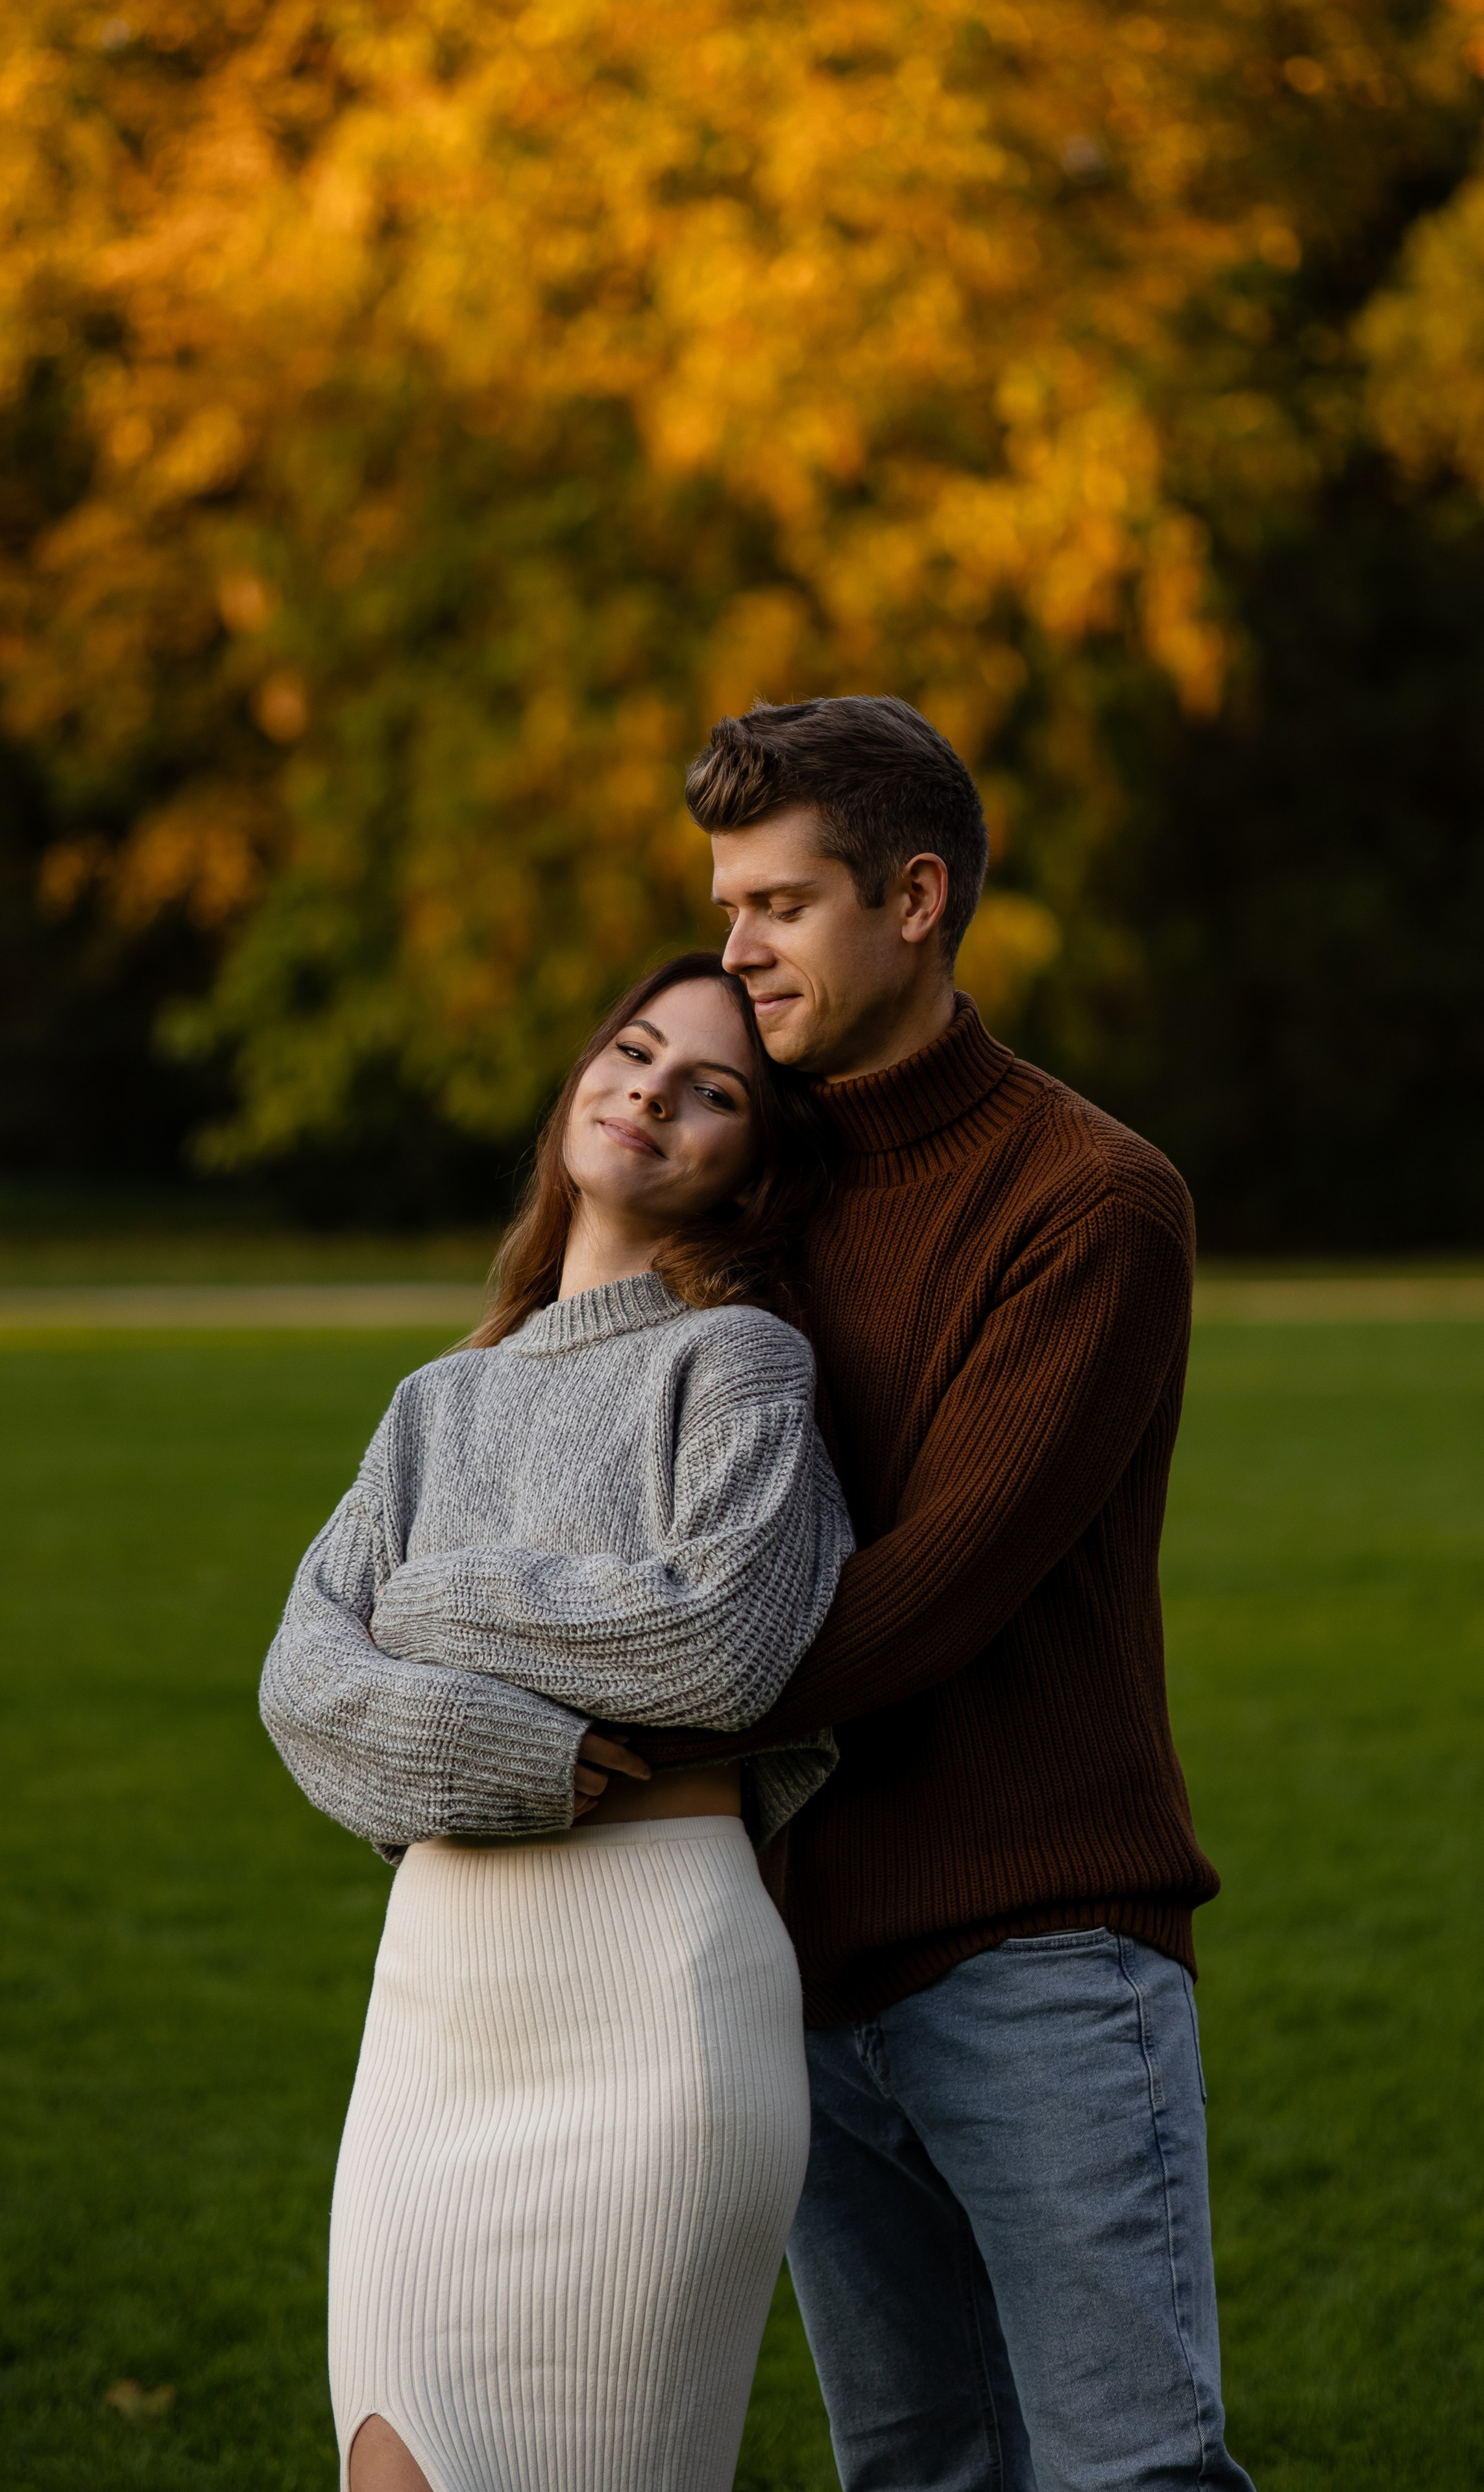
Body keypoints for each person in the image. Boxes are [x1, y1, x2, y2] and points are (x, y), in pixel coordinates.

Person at [624, 697, 1256, 2491]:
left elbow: (923, 1600)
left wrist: (606, 1729)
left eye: (780, 907)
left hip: (1037, 1949)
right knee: (917, 2474)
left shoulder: (1094, 1202)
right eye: (726, 908)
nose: (733, 951)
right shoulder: (753, 1175)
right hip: (798, 1956)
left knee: (1128, 2472)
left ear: (915, 899)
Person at [260, 953, 855, 2492]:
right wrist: (518, 1751)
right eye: (635, 1052)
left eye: (710, 1089)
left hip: (650, 2014)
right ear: (579, 1081)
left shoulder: (740, 1365)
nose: (652, 1091)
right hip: (432, 2017)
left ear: (749, 1169)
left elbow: (718, 1644)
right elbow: (302, 1686)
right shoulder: (434, 1403)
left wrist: (434, 1605)